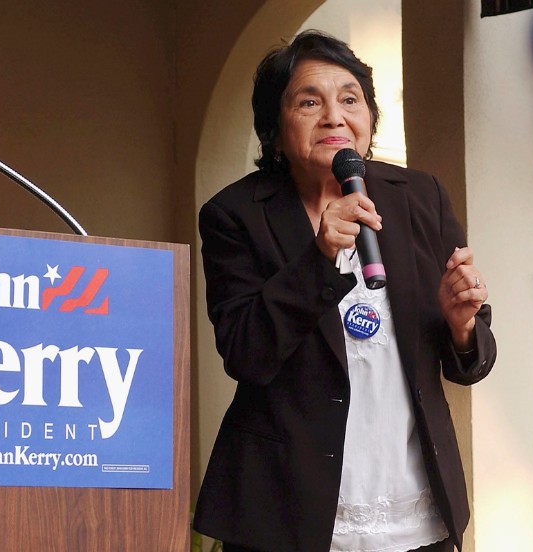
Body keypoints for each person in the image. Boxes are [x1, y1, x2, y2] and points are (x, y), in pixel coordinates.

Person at [192, 30, 496, 552]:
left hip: (415, 509)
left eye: (350, 99)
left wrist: (461, 324)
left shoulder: (419, 197)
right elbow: (246, 353)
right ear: (274, 127)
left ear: (369, 118)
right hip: (287, 512)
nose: (334, 116)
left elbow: (468, 362)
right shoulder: (235, 215)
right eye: (310, 101)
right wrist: (318, 258)